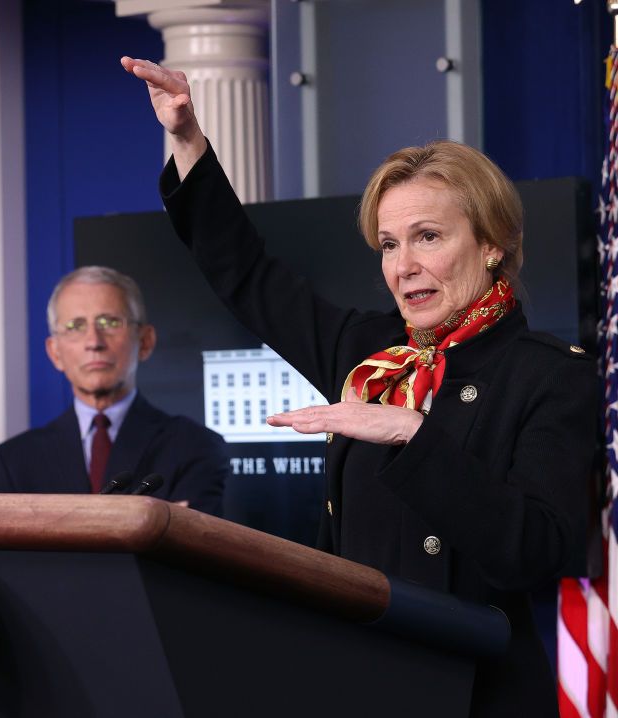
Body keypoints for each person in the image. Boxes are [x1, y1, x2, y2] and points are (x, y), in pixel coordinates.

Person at [121, 56, 597, 716]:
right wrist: (186, 139)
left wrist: (413, 433)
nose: (404, 267)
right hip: (359, 682)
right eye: (388, 244)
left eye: (428, 237)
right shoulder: (370, 356)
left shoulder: (552, 375)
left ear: (492, 243)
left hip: (478, 696)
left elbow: (536, 551)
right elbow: (247, 276)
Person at [0, 265, 227, 515]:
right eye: (76, 326)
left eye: (109, 322)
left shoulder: (195, 446)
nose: (94, 342)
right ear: (54, 352)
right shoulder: (11, 462)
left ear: (145, 341)